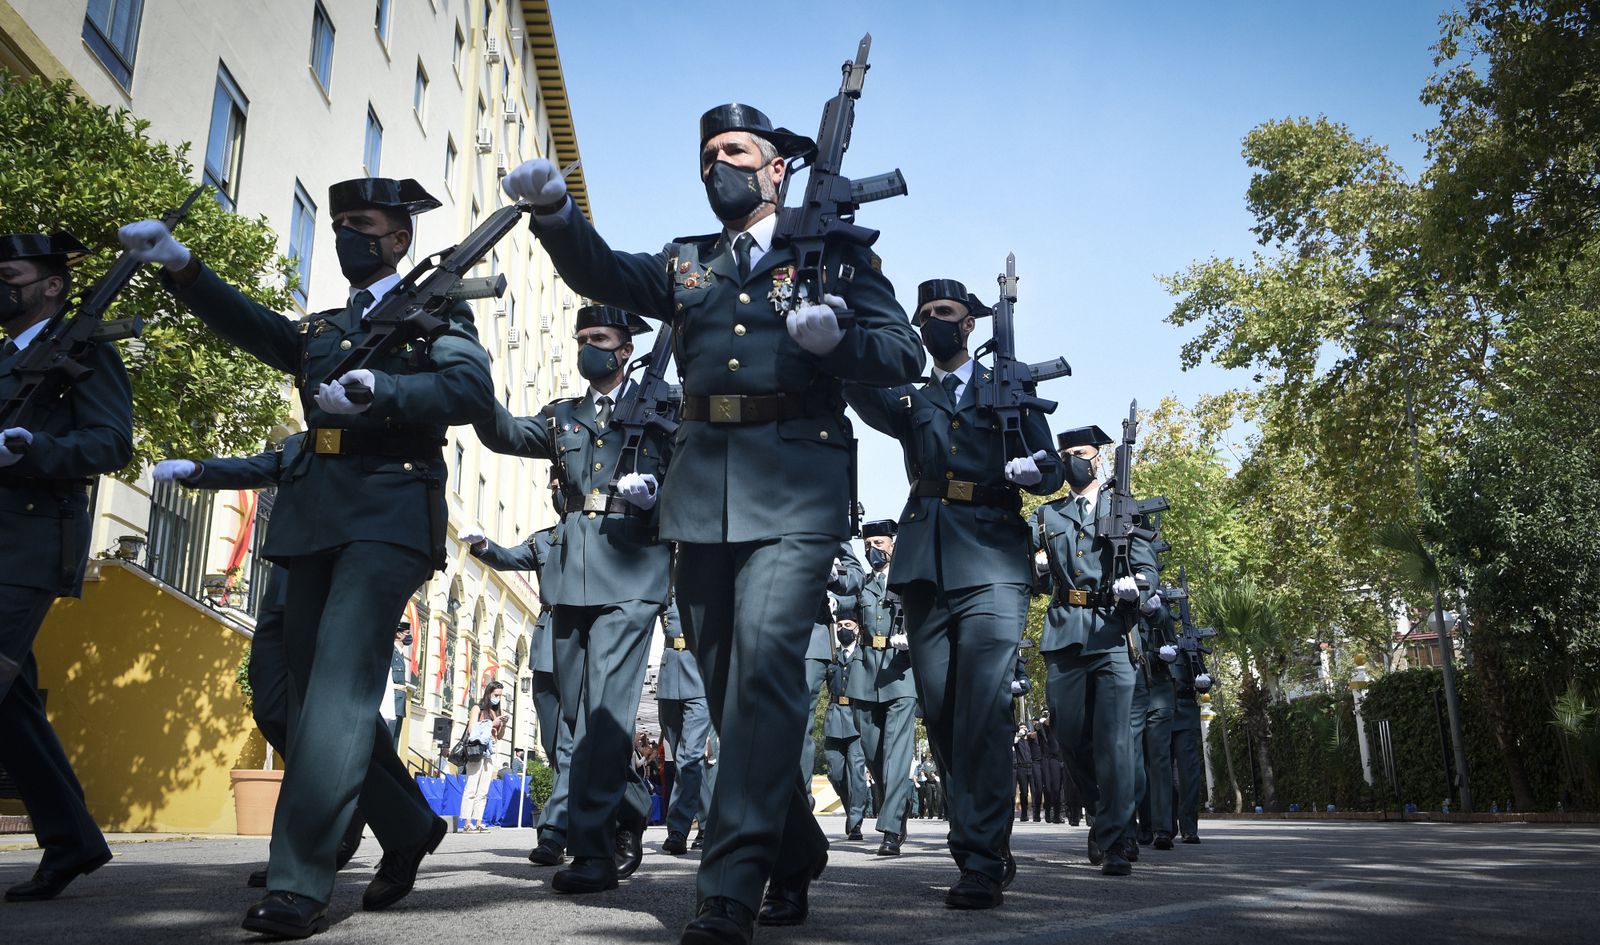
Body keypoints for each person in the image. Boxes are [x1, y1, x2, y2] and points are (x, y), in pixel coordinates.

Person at [501, 101, 922, 945]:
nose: (715, 163)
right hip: (701, 497)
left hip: (797, 484)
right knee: (737, 699)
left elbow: (902, 352)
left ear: (776, 168)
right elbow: (607, 274)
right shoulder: (687, 263)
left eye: (734, 150)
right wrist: (556, 216)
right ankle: (795, 847)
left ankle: (727, 886)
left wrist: (836, 338)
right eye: (706, 153)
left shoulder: (833, 255)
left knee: (766, 676)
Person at [120, 176, 491, 937]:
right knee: (303, 698)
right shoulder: (326, 324)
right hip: (315, 515)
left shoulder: (439, 310)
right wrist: (186, 268)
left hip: (388, 513)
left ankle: (299, 881)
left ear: (399, 239)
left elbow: (468, 390)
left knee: (340, 695)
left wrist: (382, 388)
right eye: (341, 223)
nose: (347, 234)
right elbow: (261, 330)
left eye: (363, 223)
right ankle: (410, 824)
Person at [843, 277, 1061, 910]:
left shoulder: (1009, 388)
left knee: (984, 707)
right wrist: (840, 337)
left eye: (946, 312)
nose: (935, 322)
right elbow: (861, 392)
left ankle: (979, 857)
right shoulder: (915, 397)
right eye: (926, 315)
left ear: (970, 324)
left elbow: (1049, 467)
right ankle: (987, 836)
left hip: (993, 553)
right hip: (925, 562)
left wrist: (1032, 469)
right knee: (940, 711)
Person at [469, 302, 675, 894]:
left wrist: (655, 495)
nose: (588, 345)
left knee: (603, 714)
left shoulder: (663, 407)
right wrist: (470, 373)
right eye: (582, 336)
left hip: (631, 568)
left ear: (625, 348)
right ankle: (627, 811)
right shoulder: (565, 417)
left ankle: (591, 851)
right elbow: (504, 432)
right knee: (578, 719)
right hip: (572, 574)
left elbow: (692, 470)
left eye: (600, 337)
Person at [0, 231, 129, 902]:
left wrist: (33, 449)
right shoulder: (4, 357)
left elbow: (111, 442)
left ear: (51, 285)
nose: (2, 283)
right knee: (11, 705)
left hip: (27, 543)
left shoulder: (86, 351)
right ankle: (72, 839)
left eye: (10, 273)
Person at [1032, 425, 1159, 878]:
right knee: (1071, 739)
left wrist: (1137, 587)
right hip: (1064, 633)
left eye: (1080, 454)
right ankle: (1106, 817)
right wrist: (1036, 566)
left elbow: (1147, 568)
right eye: (1065, 456)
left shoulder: (1125, 508)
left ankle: (1113, 837)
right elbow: (1022, 569)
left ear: (1099, 459)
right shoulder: (1048, 515)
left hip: (1112, 635)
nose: (1072, 462)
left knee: (1115, 741)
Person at [848, 519, 919, 856]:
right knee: (874, 753)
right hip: (865, 674)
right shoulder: (861, 584)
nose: (872, 550)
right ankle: (894, 804)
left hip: (900, 672)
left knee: (896, 754)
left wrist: (913, 637)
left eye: (878, 543)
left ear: (893, 544)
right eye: (867, 545)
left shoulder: (908, 580)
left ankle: (891, 828)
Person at [800, 546, 865, 805]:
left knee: (799, 724)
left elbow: (856, 576)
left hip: (811, 637)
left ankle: (801, 802)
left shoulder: (822, 513)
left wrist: (834, 575)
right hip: (766, 630)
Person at [657, 597, 714, 855]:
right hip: (669, 675)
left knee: (689, 756)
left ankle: (678, 830)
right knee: (682, 758)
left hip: (700, 677)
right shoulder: (664, 578)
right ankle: (705, 820)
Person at [822, 606, 869, 839]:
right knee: (835, 772)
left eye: (847, 625)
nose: (843, 630)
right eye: (839, 626)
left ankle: (856, 821)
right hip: (833, 717)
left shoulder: (864, 654)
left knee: (857, 773)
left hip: (857, 717)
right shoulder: (831, 655)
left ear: (857, 629)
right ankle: (853, 805)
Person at [460, 682, 509, 832]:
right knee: (471, 786)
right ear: (488, 694)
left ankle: (478, 821)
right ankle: (467, 823)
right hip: (476, 751)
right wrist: (491, 723)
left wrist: (503, 724)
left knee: (483, 789)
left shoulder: (496, 711)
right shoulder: (477, 708)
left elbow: (499, 736)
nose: (498, 699)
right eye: (496, 695)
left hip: (490, 752)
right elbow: (472, 730)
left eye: (500, 696)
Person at [385, 622, 412, 749]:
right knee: (389, 739)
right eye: (407, 633)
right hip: (392, 701)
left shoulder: (399, 654)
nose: (409, 636)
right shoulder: (391, 652)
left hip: (399, 702)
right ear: (398, 634)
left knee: (395, 741)